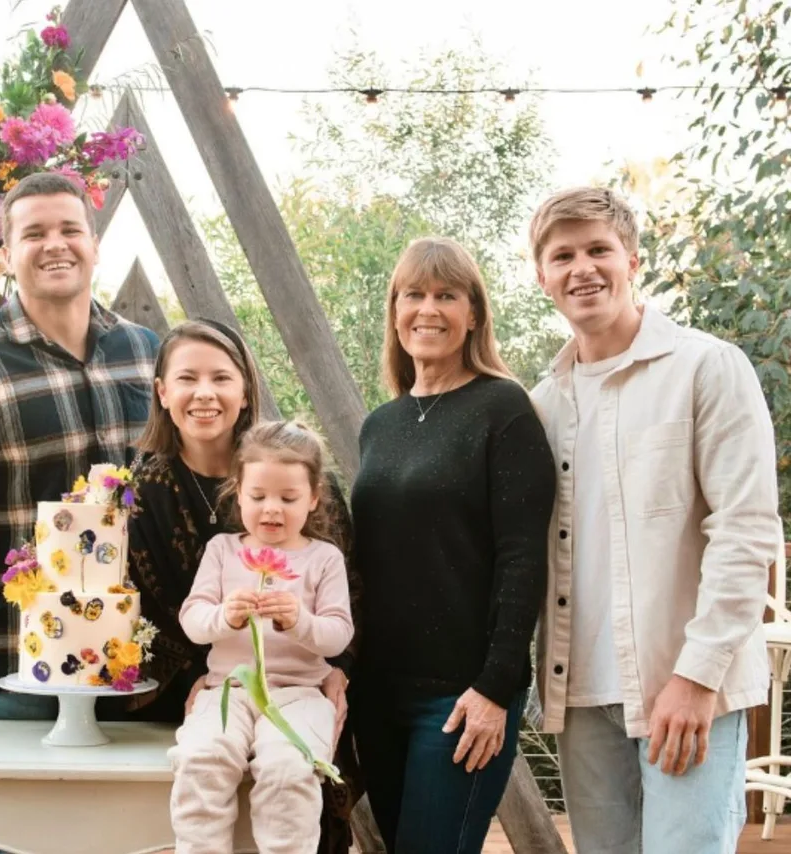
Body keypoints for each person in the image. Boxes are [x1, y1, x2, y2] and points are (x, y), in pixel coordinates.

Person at [526, 186, 782, 853]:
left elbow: (746, 529)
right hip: (579, 695)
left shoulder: (707, 368)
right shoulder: (542, 404)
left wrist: (697, 678)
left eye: (598, 250)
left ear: (632, 260)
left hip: (686, 687)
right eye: (562, 256)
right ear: (542, 277)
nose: (582, 268)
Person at [0, 171, 158, 780]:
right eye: (34, 233)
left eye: (71, 229)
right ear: (6, 256)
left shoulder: (145, 352)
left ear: (94, 244)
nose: (55, 244)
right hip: (18, 667)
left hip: (135, 667)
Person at [350, 236, 556, 853]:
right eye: (413, 294)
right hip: (380, 694)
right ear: (394, 310)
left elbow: (522, 558)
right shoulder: (380, 426)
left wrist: (496, 687)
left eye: (447, 295)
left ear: (474, 314)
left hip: (462, 696)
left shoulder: (504, 410)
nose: (428, 309)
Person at [128, 319, 363, 853]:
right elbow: (146, 609)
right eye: (188, 377)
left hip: (305, 686)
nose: (205, 393)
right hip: (203, 688)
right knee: (204, 763)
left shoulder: (295, 472)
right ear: (163, 392)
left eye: (221, 377)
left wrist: (338, 670)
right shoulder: (148, 489)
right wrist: (197, 673)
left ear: (245, 389)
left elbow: (349, 603)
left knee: (290, 768)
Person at [167, 420, 353, 854]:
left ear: (313, 498)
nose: (272, 509)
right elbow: (193, 620)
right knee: (201, 759)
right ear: (238, 491)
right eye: (258, 496)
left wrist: (300, 622)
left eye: (288, 498)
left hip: (301, 694)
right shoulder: (222, 550)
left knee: (289, 768)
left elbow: (338, 636)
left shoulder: (323, 558)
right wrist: (224, 616)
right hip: (226, 690)